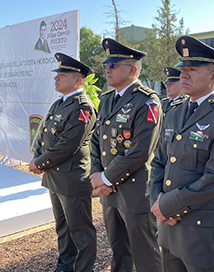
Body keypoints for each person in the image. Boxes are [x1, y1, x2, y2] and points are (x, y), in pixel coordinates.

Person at [149, 36, 214, 272]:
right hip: (170, 228)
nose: (183, 75)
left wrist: (168, 206)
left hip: (201, 232)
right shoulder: (173, 111)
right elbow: (160, 162)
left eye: (192, 69)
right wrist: (156, 201)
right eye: (183, 69)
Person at [89, 38, 163, 272]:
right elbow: (96, 141)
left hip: (134, 191)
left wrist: (106, 178)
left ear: (132, 69)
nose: (107, 69)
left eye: (114, 65)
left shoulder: (147, 101)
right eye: (106, 65)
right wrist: (96, 175)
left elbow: (140, 151)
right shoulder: (106, 100)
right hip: (108, 191)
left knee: (145, 253)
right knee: (118, 250)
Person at [29, 52, 97, 272]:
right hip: (55, 177)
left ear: (78, 80)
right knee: (63, 229)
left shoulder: (83, 107)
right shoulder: (60, 103)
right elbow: (44, 134)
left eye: (62, 74)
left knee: (81, 232)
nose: (56, 78)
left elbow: (68, 145)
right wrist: (37, 156)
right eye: (57, 74)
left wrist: (40, 163)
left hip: (72, 178)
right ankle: (65, 267)